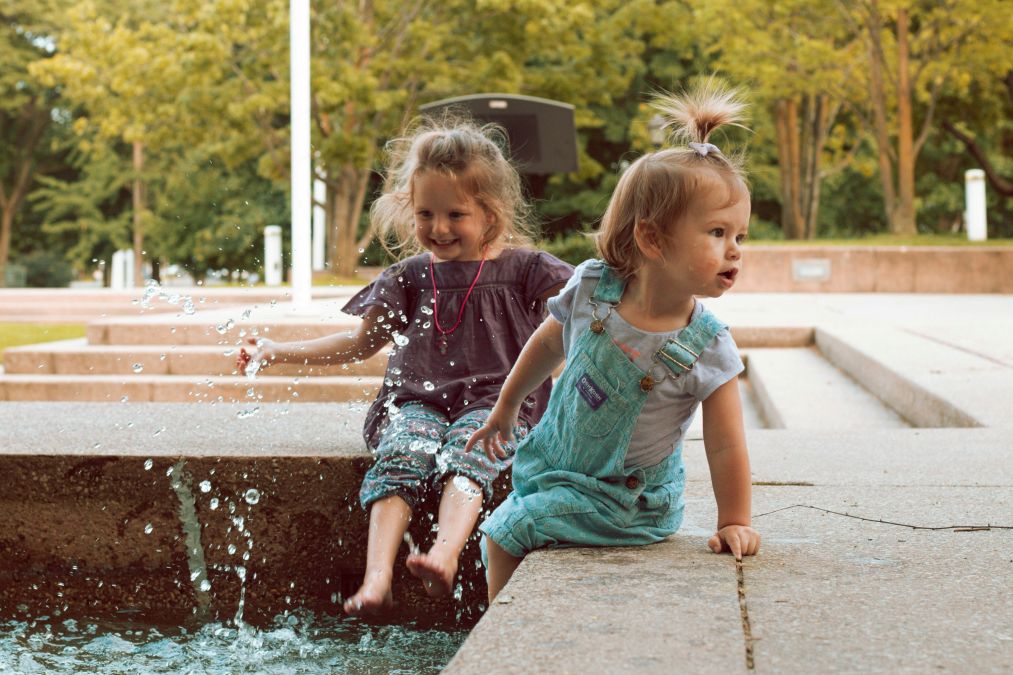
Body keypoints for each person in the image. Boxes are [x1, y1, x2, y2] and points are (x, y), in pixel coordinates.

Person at [238, 117, 572, 613]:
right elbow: (358, 344)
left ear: (492, 213)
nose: (437, 228)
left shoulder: (526, 271)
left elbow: (584, 314)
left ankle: (445, 554)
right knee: (402, 452)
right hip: (416, 400)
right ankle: (378, 579)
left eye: (455, 214)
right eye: (425, 213)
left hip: (496, 404)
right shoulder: (408, 278)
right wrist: (277, 351)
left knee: (471, 448)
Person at [466, 81, 761, 602]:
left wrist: (735, 520)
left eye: (740, 235)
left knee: (506, 530)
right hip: (562, 468)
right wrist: (505, 409)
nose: (735, 250)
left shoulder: (707, 346)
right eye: (717, 233)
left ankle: (501, 636)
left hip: (630, 504)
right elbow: (546, 345)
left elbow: (726, 442)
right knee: (521, 505)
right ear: (651, 238)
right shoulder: (592, 290)